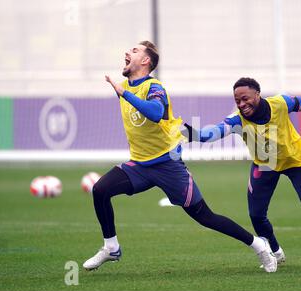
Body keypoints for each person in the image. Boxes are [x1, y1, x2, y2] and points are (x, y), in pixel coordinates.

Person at [83, 41, 277, 273]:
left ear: (146, 61)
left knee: (205, 217)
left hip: (168, 166)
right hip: (139, 165)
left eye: (134, 51)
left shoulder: (154, 87)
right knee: (100, 190)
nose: (127, 52)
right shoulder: (125, 86)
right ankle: (111, 247)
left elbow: (155, 113)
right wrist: (123, 91)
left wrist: (123, 93)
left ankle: (258, 245)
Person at [183, 77, 301, 264]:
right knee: (256, 215)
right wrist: (196, 135)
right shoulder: (237, 120)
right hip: (265, 165)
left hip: (295, 160)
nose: (242, 104)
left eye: (245, 98)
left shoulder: (280, 103)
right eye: (237, 101)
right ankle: (275, 251)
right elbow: (216, 132)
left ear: (258, 94)